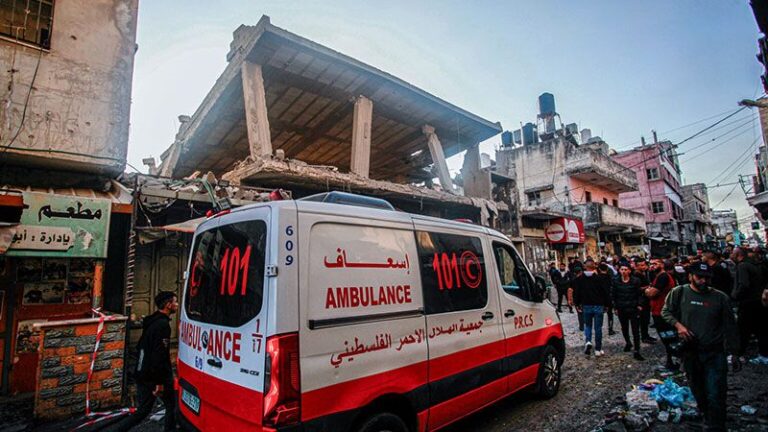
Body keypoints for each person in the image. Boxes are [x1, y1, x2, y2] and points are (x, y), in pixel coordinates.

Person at [662, 263, 741, 432]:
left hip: (714, 352)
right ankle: (706, 414)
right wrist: (679, 326)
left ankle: (716, 425)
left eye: (707, 278)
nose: (703, 281)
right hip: (690, 352)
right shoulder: (679, 293)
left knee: (716, 391)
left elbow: (730, 326)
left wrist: (735, 353)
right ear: (691, 276)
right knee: (698, 389)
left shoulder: (720, 298)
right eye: (699, 277)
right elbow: (666, 312)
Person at [106, 291, 179, 432]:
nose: (177, 305)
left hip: (143, 373)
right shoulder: (162, 325)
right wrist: (159, 383)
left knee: (146, 410)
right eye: (175, 302)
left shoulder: (152, 321)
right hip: (153, 376)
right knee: (168, 406)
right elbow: (159, 356)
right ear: (168, 305)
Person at [732, 248, 768, 365]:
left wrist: (735, 296)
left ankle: (739, 354)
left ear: (738, 254)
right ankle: (763, 355)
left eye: (733, 253)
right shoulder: (757, 266)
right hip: (759, 302)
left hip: (747, 303)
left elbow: (744, 284)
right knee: (761, 329)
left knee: (742, 329)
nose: (731, 255)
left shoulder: (742, 266)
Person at [573, 259, 612, 357]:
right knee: (598, 328)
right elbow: (605, 292)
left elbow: (577, 293)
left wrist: (577, 304)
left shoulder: (580, 279)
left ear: (585, 267)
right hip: (598, 305)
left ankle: (588, 341)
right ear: (594, 266)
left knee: (588, 326)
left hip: (586, 305)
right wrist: (607, 305)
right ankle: (598, 349)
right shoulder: (599, 278)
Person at [646, 260, 679, 370]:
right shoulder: (659, 276)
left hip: (662, 312)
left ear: (662, 265)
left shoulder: (663, 277)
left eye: (655, 264)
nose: (652, 266)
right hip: (660, 311)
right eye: (651, 264)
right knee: (667, 337)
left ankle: (674, 360)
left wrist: (647, 290)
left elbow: (652, 293)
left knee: (668, 336)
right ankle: (671, 360)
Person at [611, 263, 645, 360]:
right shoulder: (615, 281)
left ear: (629, 271)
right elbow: (613, 295)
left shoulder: (636, 281)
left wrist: (639, 305)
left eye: (626, 269)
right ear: (619, 270)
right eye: (622, 269)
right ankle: (628, 343)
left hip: (633, 308)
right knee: (624, 328)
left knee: (635, 330)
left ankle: (637, 350)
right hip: (621, 308)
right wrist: (615, 307)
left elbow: (639, 294)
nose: (624, 271)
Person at [633, 258, 656, 344]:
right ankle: (644, 337)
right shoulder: (636, 275)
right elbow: (636, 289)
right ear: (636, 266)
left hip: (645, 299)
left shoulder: (644, 273)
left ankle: (645, 335)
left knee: (646, 319)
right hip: (641, 300)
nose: (643, 267)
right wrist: (648, 287)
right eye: (641, 265)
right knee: (643, 320)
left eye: (644, 265)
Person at [598, 263, 616, 336]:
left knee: (599, 315)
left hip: (600, 298)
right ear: (607, 269)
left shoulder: (597, 277)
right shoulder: (610, 277)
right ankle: (610, 329)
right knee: (610, 314)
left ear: (599, 269)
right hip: (609, 298)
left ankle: (598, 329)